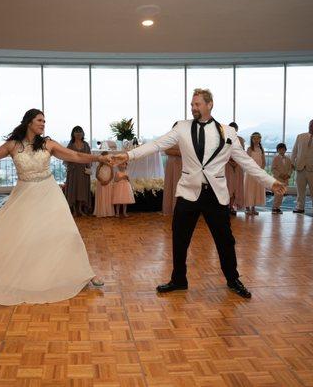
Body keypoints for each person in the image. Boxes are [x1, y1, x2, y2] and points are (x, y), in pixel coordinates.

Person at [112, 89, 286, 299]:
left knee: (225, 241)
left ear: (209, 104)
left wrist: (270, 181)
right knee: (179, 238)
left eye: (197, 104)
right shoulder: (182, 128)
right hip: (188, 192)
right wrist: (128, 155)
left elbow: (247, 163)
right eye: (192, 104)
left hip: (216, 194)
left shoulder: (228, 132)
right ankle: (178, 280)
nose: (193, 108)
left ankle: (233, 280)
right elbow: (157, 144)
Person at [0, 109, 109, 305]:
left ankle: (86, 274)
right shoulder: (13, 146)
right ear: (29, 122)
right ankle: (27, 278)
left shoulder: (48, 143)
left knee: (68, 233)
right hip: (25, 195)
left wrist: (98, 158)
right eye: (40, 120)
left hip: (49, 193)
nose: (43, 124)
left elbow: (75, 155)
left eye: (44, 121)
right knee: (24, 237)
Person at [64, 126, 92, 216]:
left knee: (82, 190)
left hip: (83, 171)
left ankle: (80, 209)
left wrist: (88, 166)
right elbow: (66, 157)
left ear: (83, 133)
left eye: (80, 131)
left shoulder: (86, 144)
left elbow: (89, 157)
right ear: (73, 134)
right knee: (74, 190)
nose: (78, 133)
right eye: (76, 131)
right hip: (73, 171)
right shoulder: (70, 145)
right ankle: (74, 210)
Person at [225, 122, 245, 216]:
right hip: (227, 165)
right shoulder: (224, 138)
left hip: (237, 165)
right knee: (228, 185)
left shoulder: (240, 139)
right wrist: (229, 160)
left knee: (236, 186)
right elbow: (223, 151)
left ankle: (232, 206)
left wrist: (236, 162)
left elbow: (241, 152)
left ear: (236, 130)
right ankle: (227, 206)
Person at [244, 132, 266, 216]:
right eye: (255, 138)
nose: (256, 140)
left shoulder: (261, 149)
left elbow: (263, 162)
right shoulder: (249, 149)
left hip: (258, 172)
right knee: (250, 189)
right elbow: (247, 161)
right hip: (251, 172)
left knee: (256, 190)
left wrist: (261, 170)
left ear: (260, 139)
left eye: (258, 138)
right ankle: (247, 207)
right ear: (252, 139)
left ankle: (253, 208)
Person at [162, 122, 182, 216]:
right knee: (171, 184)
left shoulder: (185, 138)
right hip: (172, 164)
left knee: (180, 186)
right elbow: (166, 150)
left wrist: (178, 152)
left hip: (183, 164)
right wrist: (179, 153)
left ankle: (180, 208)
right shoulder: (170, 138)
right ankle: (171, 208)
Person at [271, 143, 293, 214]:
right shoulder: (275, 158)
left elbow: (290, 168)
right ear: (277, 150)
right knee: (277, 194)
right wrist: (280, 175)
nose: (281, 151)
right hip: (278, 179)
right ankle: (274, 207)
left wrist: (288, 175)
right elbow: (273, 169)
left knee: (281, 194)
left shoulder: (288, 159)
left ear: (285, 150)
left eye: (283, 149)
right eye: (280, 149)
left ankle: (278, 207)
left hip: (285, 179)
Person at [93, 152, 115, 217]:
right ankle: (101, 211)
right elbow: (96, 175)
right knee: (101, 197)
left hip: (108, 184)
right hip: (101, 184)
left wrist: (108, 181)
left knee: (108, 197)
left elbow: (112, 175)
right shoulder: (99, 166)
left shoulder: (110, 166)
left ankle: (108, 212)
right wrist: (102, 181)